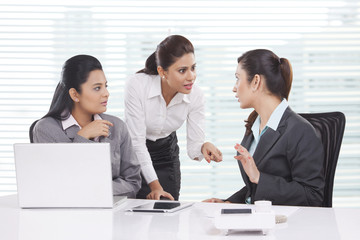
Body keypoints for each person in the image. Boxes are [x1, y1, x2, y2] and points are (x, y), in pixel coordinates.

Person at [204, 49, 325, 206]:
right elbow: (255, 188)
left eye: (237, 79)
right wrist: (229, 202)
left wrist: (259, 177)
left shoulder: (301, 131)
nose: (234, 88)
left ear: (255, 81)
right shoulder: (254, 125)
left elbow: (312, 196)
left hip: (284, 225)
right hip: (257, 218)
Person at [124, 35, 223, 201]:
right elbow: (137, 143)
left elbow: (193, 148)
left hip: (166, 155)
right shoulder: (137, 85)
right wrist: (154, 186)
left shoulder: (196, 95)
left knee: (167, 214)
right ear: (162, 72)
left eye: (193, 68)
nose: (191, 76)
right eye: (182, 70)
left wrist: (203, 146)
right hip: (135, 155)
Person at [31, 54, 141, 198]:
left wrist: (95, 189)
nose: (106, 94)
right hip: (65, 212)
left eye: (105, 86)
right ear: (75, 94)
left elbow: (133, 182)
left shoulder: (117, 126)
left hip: (111, 212)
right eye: (97, 88)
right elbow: (57, 183)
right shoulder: (46, 129)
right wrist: (82, 137)